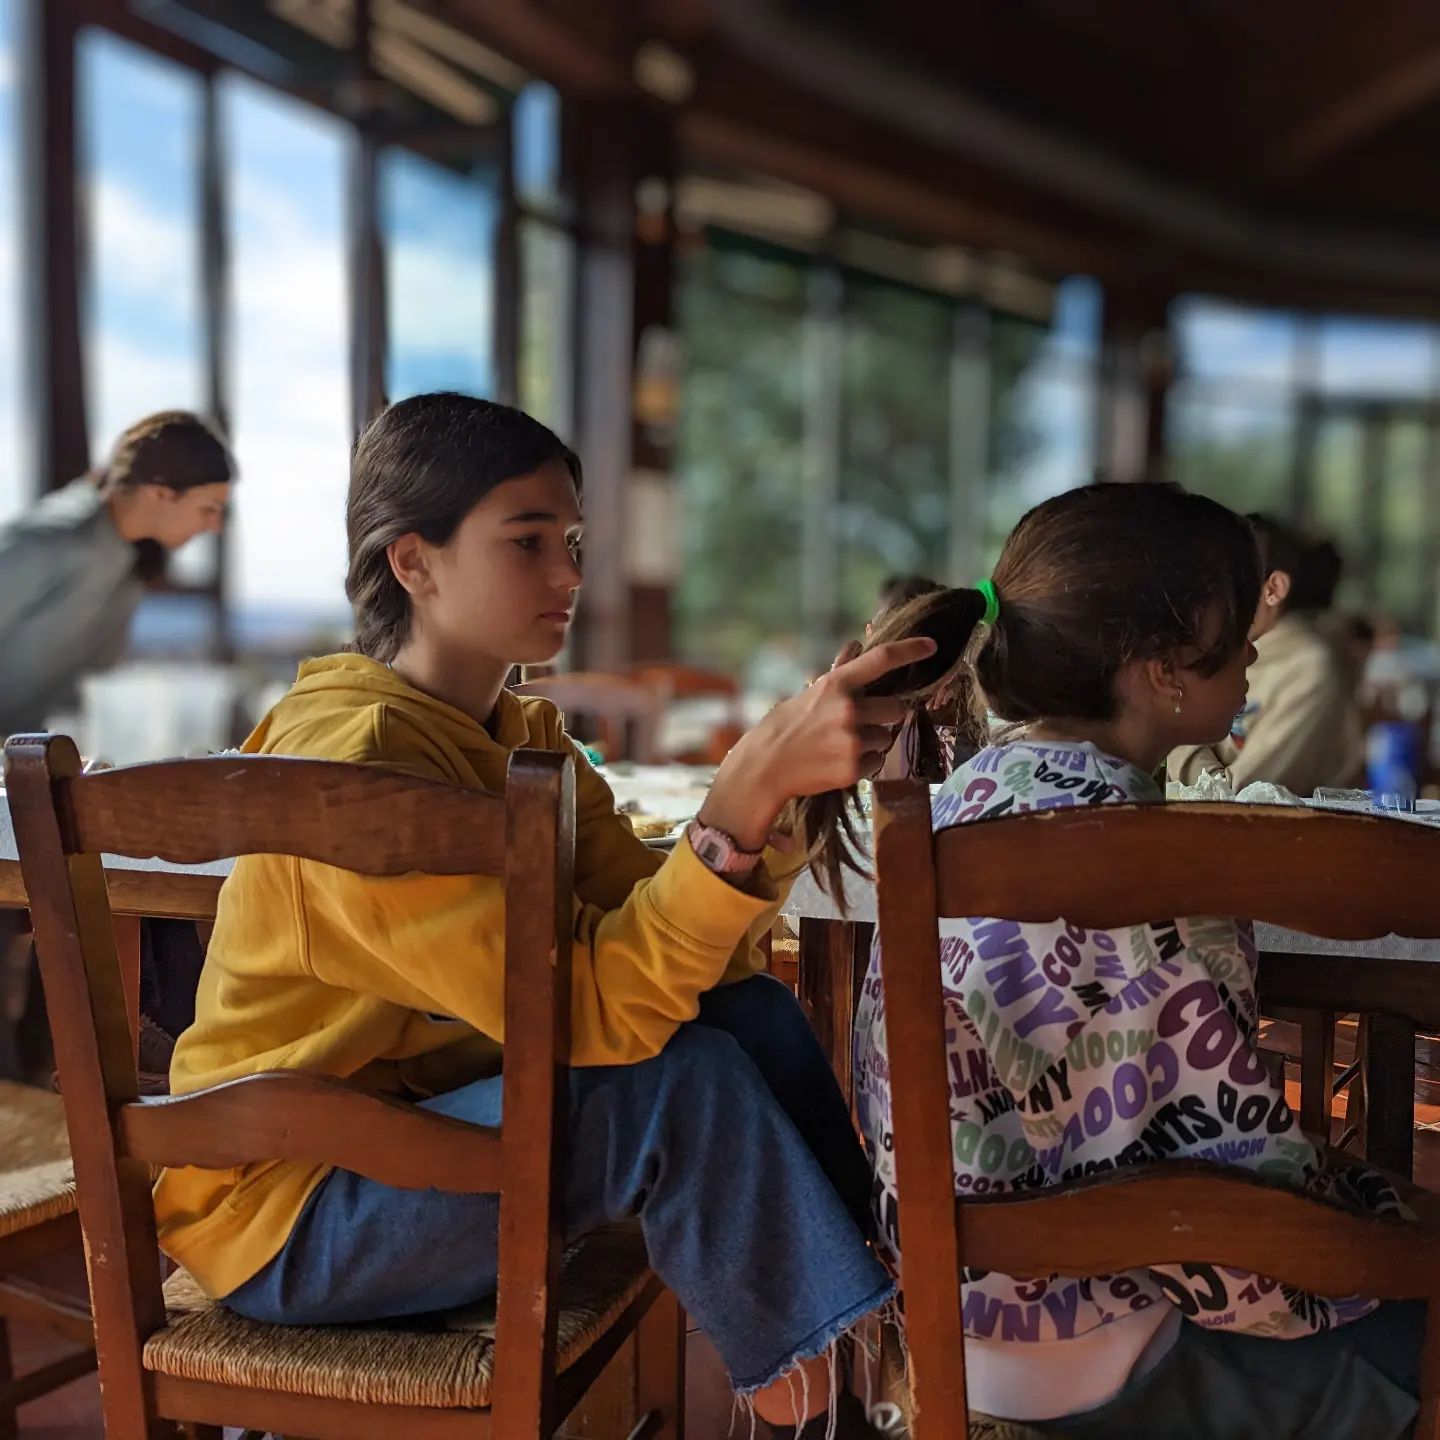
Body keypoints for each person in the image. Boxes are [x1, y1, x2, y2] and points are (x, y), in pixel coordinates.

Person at [153, 393, 928, 1440]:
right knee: (679, 1086)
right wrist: (736, 797)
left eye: (571, 542)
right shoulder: (353, 764)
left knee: (747, 1014)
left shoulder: (520, 736)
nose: (569, 575)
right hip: (293, 1212)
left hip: (417, 1139)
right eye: (528, 543)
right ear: (412, 564)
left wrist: (775, 804)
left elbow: (667, 948)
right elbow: (593, 1008)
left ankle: (875, 1328)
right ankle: (829, 1397)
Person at [797, 483, 1423, 1438]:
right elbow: (1227, 1206)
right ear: (1160, 666)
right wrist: (1384, 1248)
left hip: (952, 1331)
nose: (1256, 644)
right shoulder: (1150, 861)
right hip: (1115, 1362)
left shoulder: (962, 802)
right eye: (1238, 616)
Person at [0, 410, 235, 741]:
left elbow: (95, 682)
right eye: (208, 508)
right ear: (159, 493)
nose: (214, 526)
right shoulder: (57, 539)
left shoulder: (133, 561)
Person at [1168, 515, 1362, 796]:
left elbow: (1245, 795)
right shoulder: (1217, 651)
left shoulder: (1309, 670)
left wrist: (1170, 737)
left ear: (1274, 589)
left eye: (1226, 581)